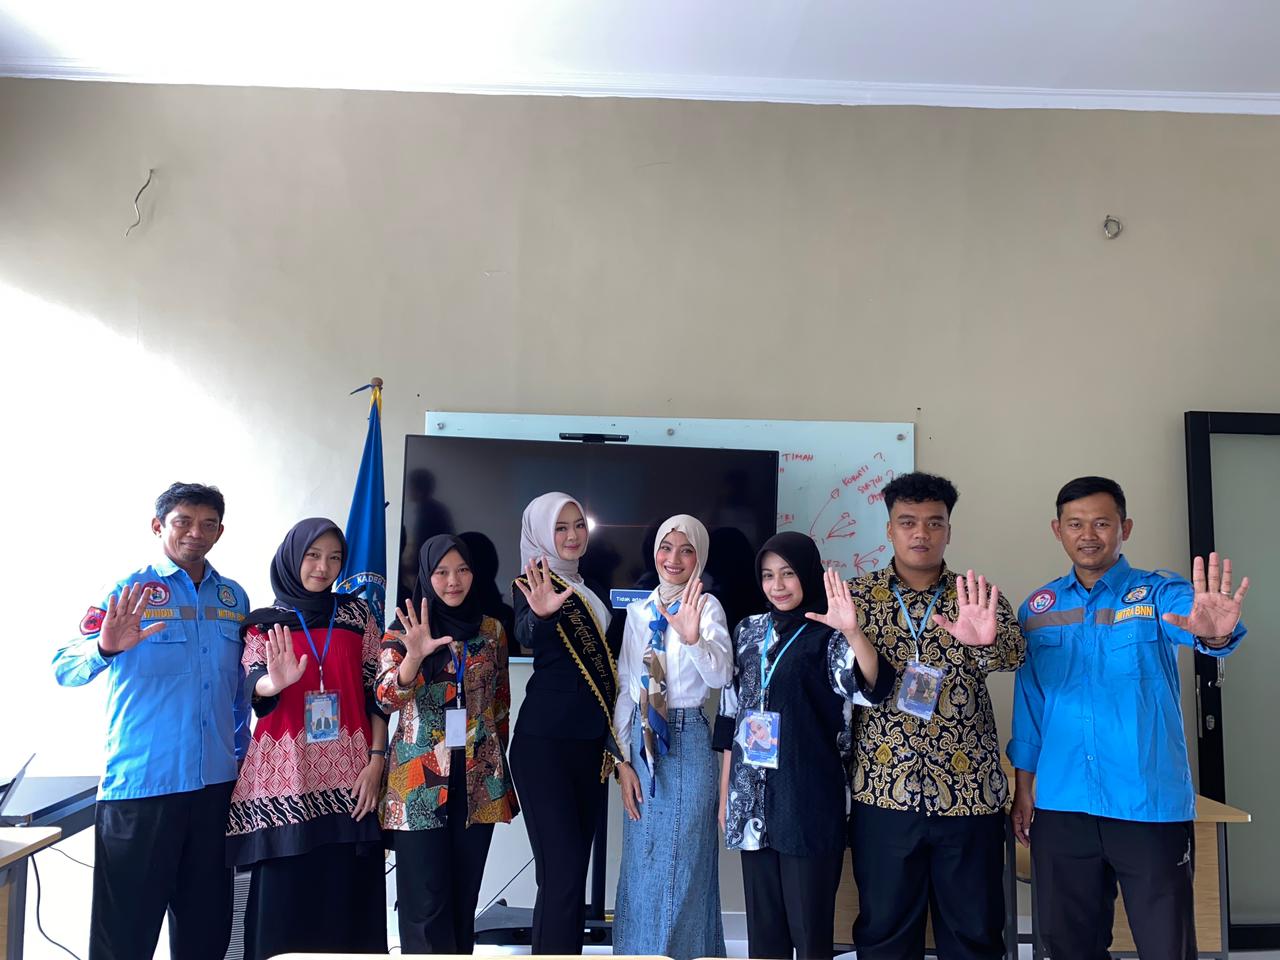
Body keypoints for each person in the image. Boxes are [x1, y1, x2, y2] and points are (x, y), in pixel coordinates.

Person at [1009, 476, 1250, 960]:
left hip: (1147, 804)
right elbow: (1030, 706)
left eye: (1102, 523)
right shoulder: (1038, 609)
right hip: (1062, 804)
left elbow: (1198, 624)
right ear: (1057, 530)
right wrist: (1024, 789)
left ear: (1125, 528)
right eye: (1075, 524)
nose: (1088, 535)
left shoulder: (1159, 593)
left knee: (1166, 946)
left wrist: (1215, 635)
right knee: (1067, 947)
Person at [53, 482, 249, 960]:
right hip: (142, 790)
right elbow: (64, 667)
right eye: (183, 521)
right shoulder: (128, 592)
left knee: (207, 937)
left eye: (208, 524)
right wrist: (105, 647)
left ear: (220, 532)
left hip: (215, 791)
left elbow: (238, 695)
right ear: (158, 525)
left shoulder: (233, 598)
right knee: (123, 940)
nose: (195, 532)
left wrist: (242, 763)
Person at [845, 472, 1025, 960]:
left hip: (969, 794)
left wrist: (984, 643)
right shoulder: (857, 598)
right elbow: (836, 683)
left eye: (934, 522)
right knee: (883, 932)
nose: (920, 533)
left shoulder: (976, 596)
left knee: (974, 934)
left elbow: (1014, 656)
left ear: (949, 530)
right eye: (908, 522)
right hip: (884, 790)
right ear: (889, 530)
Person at [716, 532, 895, 960]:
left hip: (807, 800)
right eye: (767, 575)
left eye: (788, 574)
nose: (777, 586)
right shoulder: (748, 631)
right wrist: (726, 796)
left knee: (810, 932)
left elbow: (873, 687)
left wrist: (853, 632)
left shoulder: (828, 634)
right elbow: (729, 714)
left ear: (808, 574)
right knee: (765, 936)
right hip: (751, 800)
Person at [226, 518, 389, 960]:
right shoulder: (265, 625)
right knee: (283, 911)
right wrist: (274, 682)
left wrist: (377, 762)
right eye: (313, 556)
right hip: (286, 783)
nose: (323, 567)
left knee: (347, 909)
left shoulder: (357, 616)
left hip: (351, 780)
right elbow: (254, 684)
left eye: (334, 558)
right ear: (292, 557)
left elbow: (378, 694)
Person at [378, 534, 519, 953]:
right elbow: (384, 698)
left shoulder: (492, 630)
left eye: (462, 570)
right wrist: (414, 657)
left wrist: (491, 759)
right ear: (426, 575)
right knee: (424, 905)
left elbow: (500, 703)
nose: (453, 581)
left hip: (478, 782)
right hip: (418, 783)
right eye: (441, 572)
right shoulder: (403, 631)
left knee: (463, 900)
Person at [612, 515, 732, 960]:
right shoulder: (639, 611)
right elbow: (627, 687)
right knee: (643, 862)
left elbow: (721, 677)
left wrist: (693, 637)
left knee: (683, 863)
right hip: (642, 741)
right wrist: (621, 761)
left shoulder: (707, 606)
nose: (674, 559)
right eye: (666, 548)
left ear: (700, 557)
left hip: (687, 736)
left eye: (686, 550)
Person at [507, 491, 620, 955]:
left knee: (570, 874)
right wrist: (540, 615)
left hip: (589, 746)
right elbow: (524, 633)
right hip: (544, 746)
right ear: (540, 533)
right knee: (563, 871)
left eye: (578, 525)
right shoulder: (531, 583)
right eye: (560, 527)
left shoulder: (592, 586)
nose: (572, 535)